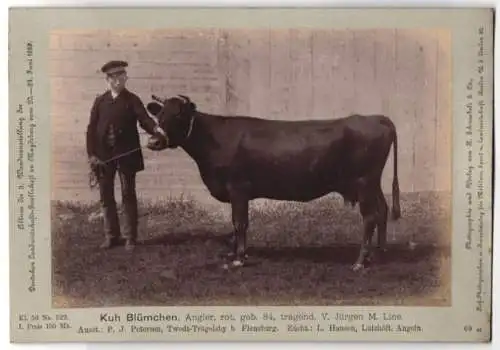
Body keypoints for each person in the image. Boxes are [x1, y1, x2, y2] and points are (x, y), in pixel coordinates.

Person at [86, 60, 166, 251]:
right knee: (106, 195)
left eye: (122, 76)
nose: (119, 81)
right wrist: (92, 155)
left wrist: (156, 129)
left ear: (125, 78)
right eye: (114, 78)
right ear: (108, 80)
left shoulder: (132, 100)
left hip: (126, 156)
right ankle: (111, 236)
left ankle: (130, 237)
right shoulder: (100, 101)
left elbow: (144, 120)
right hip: (103, 157)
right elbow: (90, 130)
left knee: (128, 194)